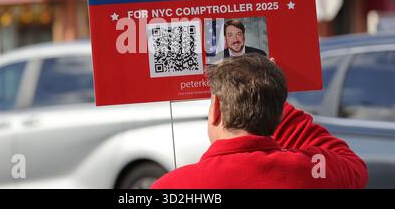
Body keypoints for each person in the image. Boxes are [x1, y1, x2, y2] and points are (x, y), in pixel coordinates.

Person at [151, 54, 368, 189]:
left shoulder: (173, 186)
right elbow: (353, 166)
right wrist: (268, 94)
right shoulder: (314, 172)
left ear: (216, 108)